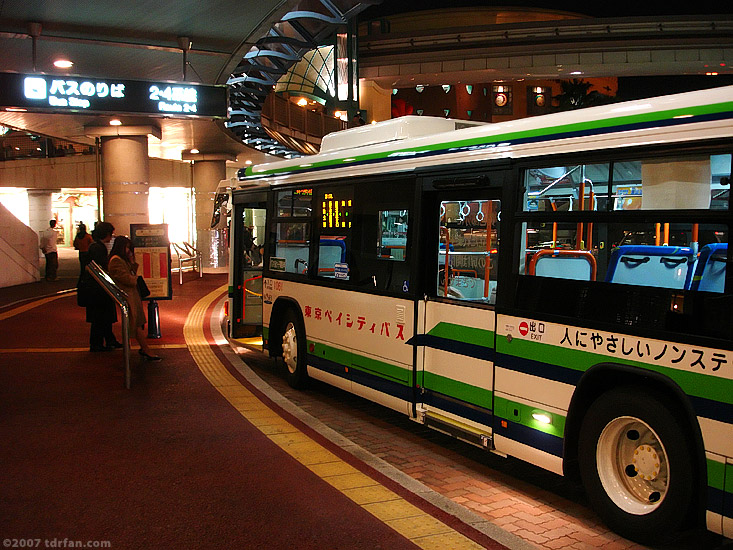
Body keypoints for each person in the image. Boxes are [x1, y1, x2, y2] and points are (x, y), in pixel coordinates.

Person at [107, 235, 161, 361]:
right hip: (127, 295)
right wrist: (136, 279)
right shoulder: (116, 261)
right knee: (135, 324)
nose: (128, 251)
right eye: (127, 248)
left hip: (131, 295)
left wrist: (132, 263)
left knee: (137, 323)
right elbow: (126, 278)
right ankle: (145, 350)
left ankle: (144, 349)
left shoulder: (121, 259)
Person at [79, 221, 123, 352]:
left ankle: (108, 340)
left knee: (101, 317)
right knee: (100, 317)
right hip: (98, 289)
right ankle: (98, 343)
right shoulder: (98, 248)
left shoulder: (95, 246)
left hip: (95, 288)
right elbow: (103, 266)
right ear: (107, 234)